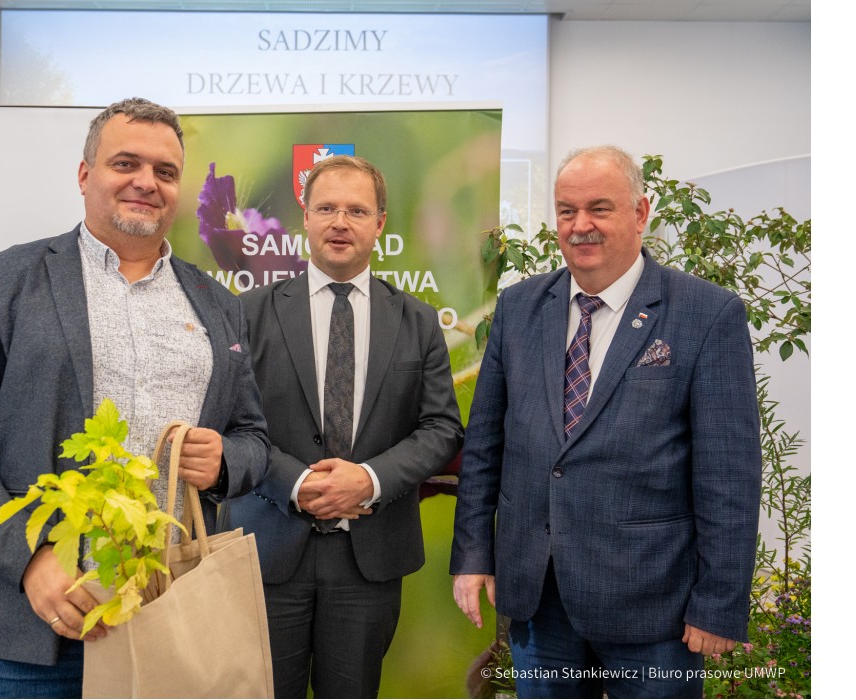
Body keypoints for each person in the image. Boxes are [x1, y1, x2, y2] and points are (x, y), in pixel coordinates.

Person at [0, 97, 270, 698]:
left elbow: (254, 436)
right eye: (125, 163)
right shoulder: (4, 283)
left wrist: (227, 461)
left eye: (165, 171)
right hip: (35, 629)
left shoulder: (217, 302)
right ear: (85, 175)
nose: (145, 183)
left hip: (172, 609)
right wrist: (27, 557)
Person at [450, 145, 762, 697]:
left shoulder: (706, 314)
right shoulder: (520, 308)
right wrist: (473, 554)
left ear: (641, 213)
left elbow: (729, 478)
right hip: (538, 599)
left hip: (655, 611)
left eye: (600, 208)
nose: (581, 225)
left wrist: (718, 603)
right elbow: (485, 447)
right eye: (567, 211)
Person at [220, 155, 464, 698]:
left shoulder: (418, 320)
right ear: (304, 217)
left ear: (380, 224)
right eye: (326, 207)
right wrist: (298, 483)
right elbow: (230, 423)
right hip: (265, 552)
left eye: (357, 210)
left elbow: (441, 428)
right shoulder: (247, 312)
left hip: (369, 561)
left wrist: (369, 479)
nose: (339, 222)